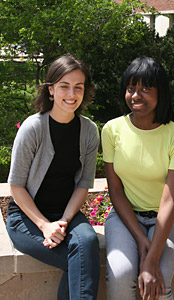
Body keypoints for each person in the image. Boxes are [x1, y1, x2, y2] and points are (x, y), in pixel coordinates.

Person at [7, 53, 100, 300]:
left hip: (66, 215)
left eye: (78, 87)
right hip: (26, 218)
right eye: (64, 86)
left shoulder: (89, 131)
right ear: (50, 90)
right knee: (80, 260)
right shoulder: (33, 128)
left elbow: (83, 184)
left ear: (85, 91)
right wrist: (44, 225)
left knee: (88, 242)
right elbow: (15, 186)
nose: (71, 94)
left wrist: (64, 221)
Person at [101, 57, 174, 300]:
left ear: (160, 92)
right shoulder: (111, 130)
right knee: (121, 276)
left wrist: (151, 260)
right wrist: (141, 240)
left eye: (145, 89)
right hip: (125, 216)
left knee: (157, 280)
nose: (136, 95)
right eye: (131, 88)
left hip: (169, 220)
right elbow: (116, 191)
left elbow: (170, 198)